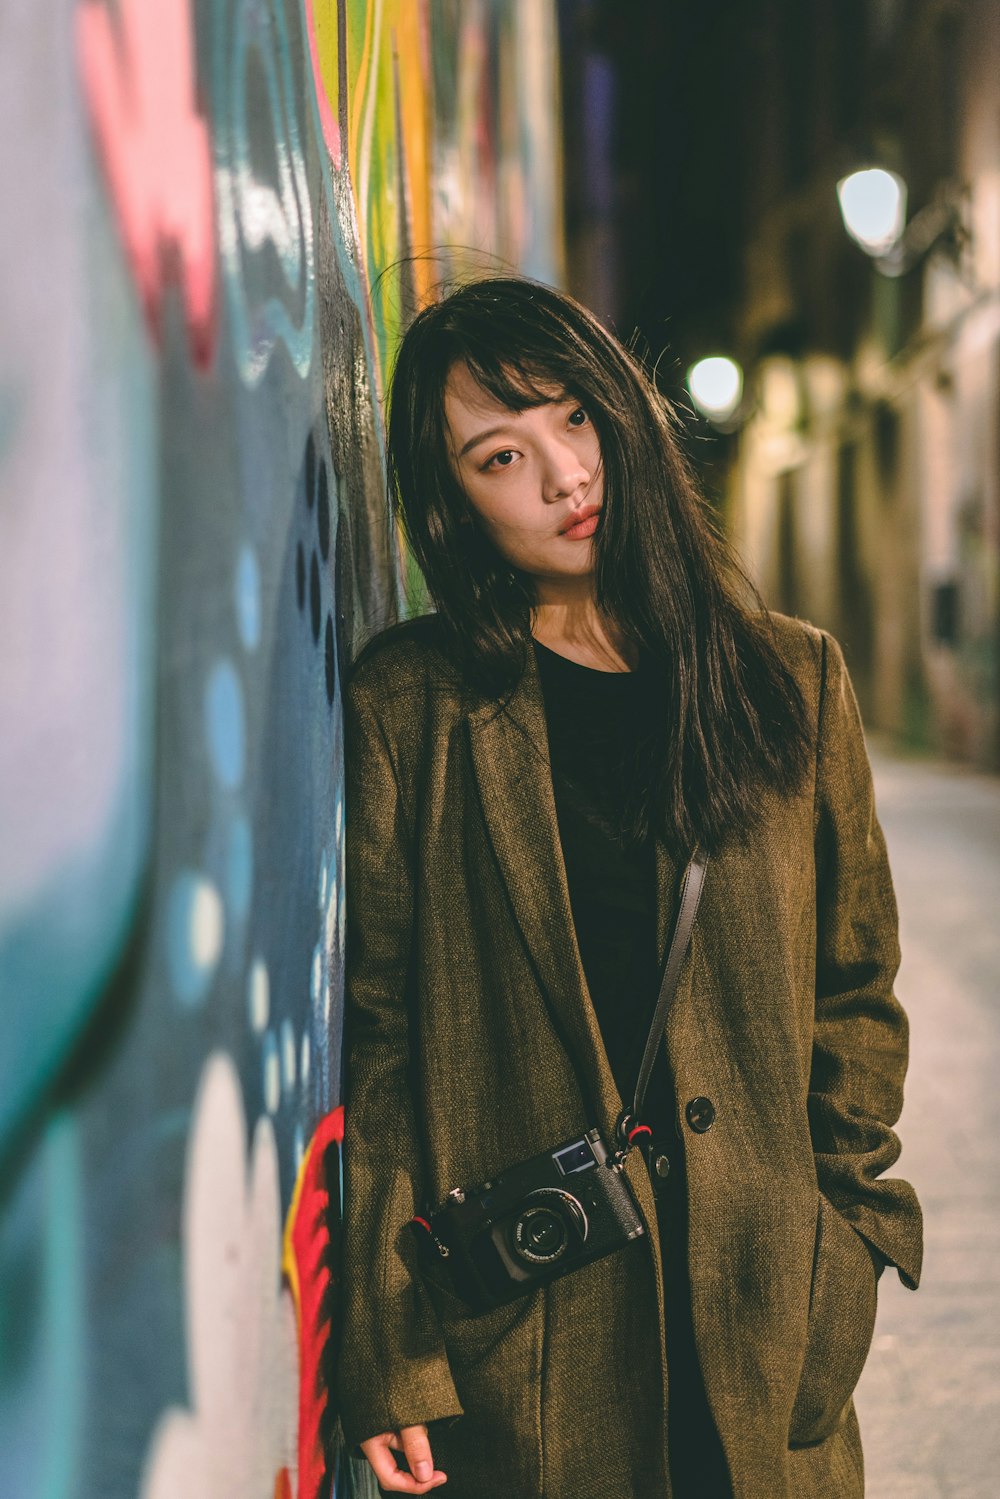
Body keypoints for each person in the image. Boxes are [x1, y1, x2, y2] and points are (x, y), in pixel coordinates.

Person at [332, 276, 922, 1499]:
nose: (559, 478)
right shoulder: (415, 707)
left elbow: (855, 991)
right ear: (453, 501)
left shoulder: (787, 680)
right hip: (534, 1339)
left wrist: (848, 1237)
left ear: (623, 411)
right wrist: (395, 1352)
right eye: (500, 455)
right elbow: (380, 1049)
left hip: (764, 1317)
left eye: (572, 420)